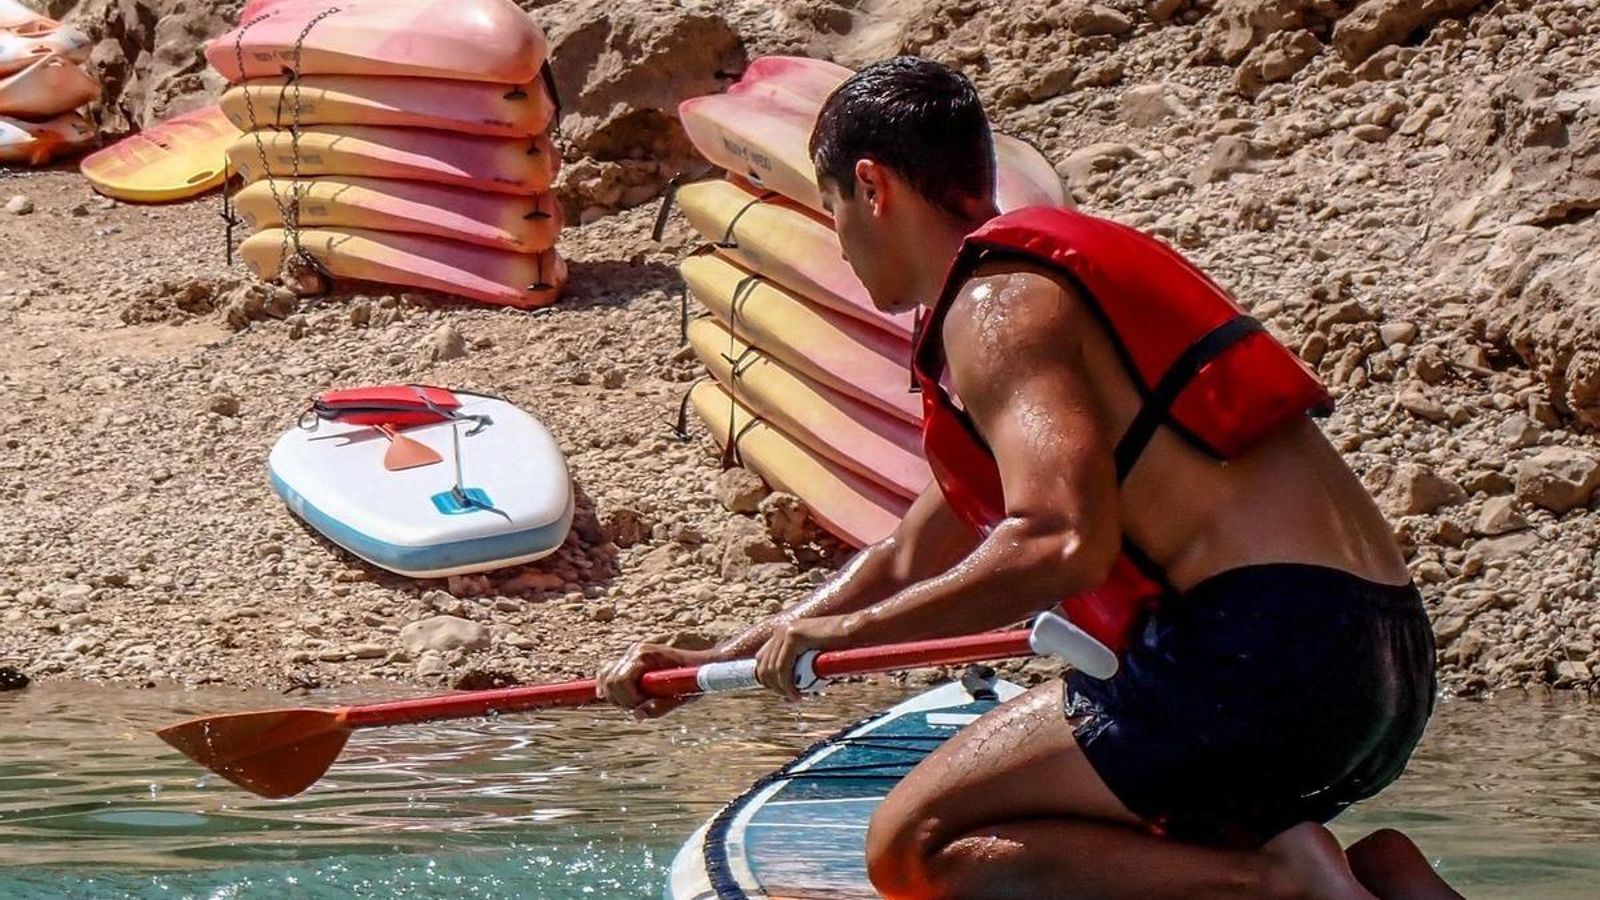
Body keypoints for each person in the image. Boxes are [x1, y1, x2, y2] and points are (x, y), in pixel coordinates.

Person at [599, 56, 1459, 899]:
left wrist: (849, 637)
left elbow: (1061, 541)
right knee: (1130, 822)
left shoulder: (995, 305)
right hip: (1385, 664)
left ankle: (1277, 881)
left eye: (832, 211)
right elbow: (910, 553)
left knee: (915, 848)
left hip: (1254, 659)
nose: (844, 245)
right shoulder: (1037, 290)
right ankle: (1383, 881)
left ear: (872, 186)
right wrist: (725, 660)